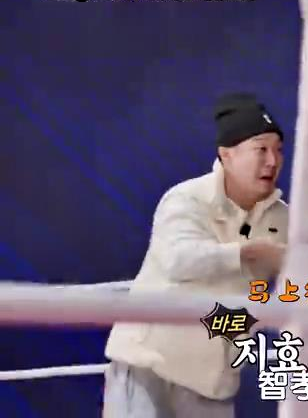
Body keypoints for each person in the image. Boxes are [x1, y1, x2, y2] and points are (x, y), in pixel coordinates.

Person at [102, 92, 288, 418]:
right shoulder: (186, 199)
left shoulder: (283, 219)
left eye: (279, 150)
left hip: (212, 386)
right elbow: (178, 260)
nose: (272, 161)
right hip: (149, 367)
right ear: (226, 154)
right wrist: (248, 253)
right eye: (261, 149)